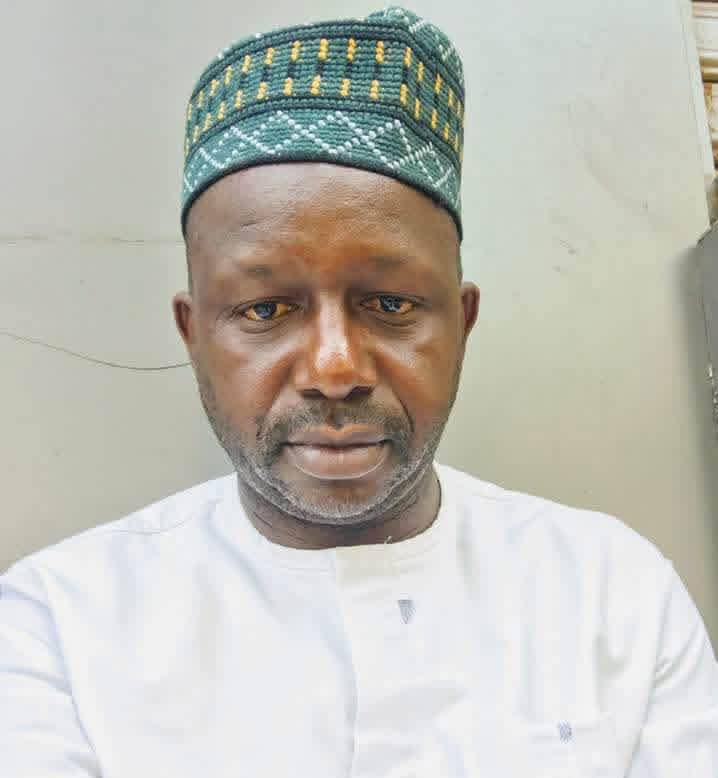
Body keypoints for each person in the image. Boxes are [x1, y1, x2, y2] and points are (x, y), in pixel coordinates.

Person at [1, 6, 716, 776]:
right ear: (194, 333)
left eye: (391, 303)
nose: (334, 368)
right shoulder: (57, 627)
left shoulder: (613, 596)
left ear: (463, 322)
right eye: (265, 310)